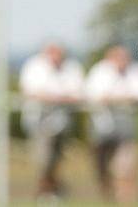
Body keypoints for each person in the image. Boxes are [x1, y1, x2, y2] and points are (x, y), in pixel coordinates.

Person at [85, 45, 138, 204]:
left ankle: (125, 198)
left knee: (126, 165)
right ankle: (107, 193)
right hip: (101, 125)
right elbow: (95, 96)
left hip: (127, 124)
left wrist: (116, 98)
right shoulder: (99, 71)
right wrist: (124, 98)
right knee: (101, 164)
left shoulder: (137, 70)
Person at [18, 43, 84, 201]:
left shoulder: (72, 68)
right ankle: (45, 192)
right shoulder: (34, 67)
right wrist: (57, 98)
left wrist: (57, 98)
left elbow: (79, 93)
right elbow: (30, 92)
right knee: (44, 160)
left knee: (56, 161)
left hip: (63, 124)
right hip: (38, 123)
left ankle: (51, 190)